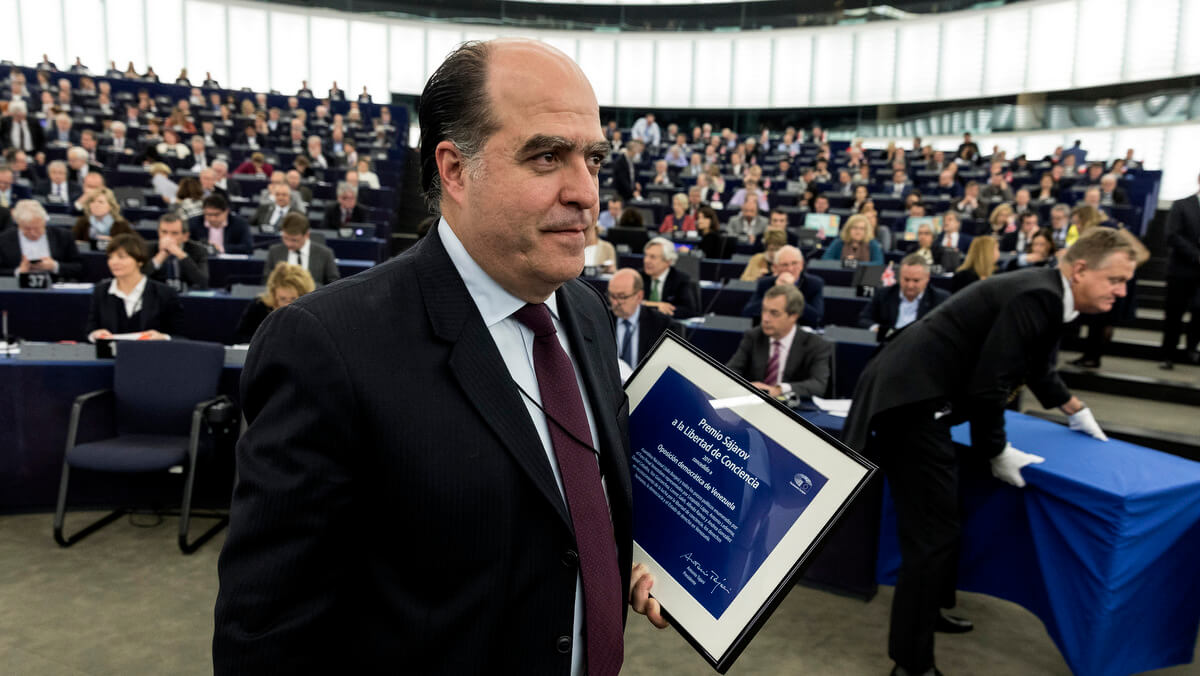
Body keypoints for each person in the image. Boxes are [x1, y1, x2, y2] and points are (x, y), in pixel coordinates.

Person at [214, 40, 666, 674]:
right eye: (546, 156)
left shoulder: (588, 311)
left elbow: (561, 511)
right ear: (454, 169)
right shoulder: (326, 344)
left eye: (592, 159)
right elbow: (267, 634)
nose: (586, 194)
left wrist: (614, 559)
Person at [844, 229, 1135, 676]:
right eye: (1115, 279)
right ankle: (911, 664)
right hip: (909, 404)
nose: (1122, 291)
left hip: (921, 397)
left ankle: (930, 610)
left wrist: (1076, 409)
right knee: (931, 537)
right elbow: (990, 386)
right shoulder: (1038, 295)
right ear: (1080, 270)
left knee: (945, 522)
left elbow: (1037, 366)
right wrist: (995, 450)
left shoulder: (1047, 292)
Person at [727, 284, 832, 399]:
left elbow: (818, 385)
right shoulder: (753, 336)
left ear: (793, 316)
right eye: (764, 311)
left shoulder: (815, 344)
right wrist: (747, 386)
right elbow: (731, 371)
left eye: (774, 313)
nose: (765, 319)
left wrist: (779, 390)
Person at [85, 234, 182, 342]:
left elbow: (179, 336)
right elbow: (90, 330)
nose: (114, 262)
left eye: (121, 257)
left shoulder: (165, 293)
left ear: (139, 261)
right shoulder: (101, 291)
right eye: (110, 257)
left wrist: (163, 338)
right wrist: (95, 335)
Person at [859, 254, 950, 342]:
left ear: (927, 278)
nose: (910, 285)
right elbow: (864, 319)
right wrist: (876, 329)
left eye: (916, 280)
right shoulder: (884, 294)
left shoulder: (940, 300)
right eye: (906, 279)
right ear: (899, 276)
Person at [1160, 171, 1200, 369]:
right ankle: (1168, 354)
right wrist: (1196, 255)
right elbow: (1172, 235)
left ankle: (1192, 349)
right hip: (1181, 271)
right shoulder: (1182, 204)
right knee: (1174, 314)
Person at [609, 267, 680, 368]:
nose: (615, 303)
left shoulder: (663, 325)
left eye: (622, 297)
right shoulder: (602, 320)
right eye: (612, 296)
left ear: (639, 296)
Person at [742, 245, 825, 327]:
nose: (790, 269)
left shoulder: (814, 284)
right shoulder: (765, 283)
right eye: (785, 265)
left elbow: (816, 318)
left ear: (802, 265)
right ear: (775, 267)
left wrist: (792, 291)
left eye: (794, 263)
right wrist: (775, 292)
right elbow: (747, 313)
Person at [234, 263, 317, 344]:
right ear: (274, 295)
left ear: (304, 296)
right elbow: (241, 338)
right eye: (283, 299)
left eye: (293, 299)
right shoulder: (258, 306)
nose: (288, 304)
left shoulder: (313, 312)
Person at [0, 199, 83, 279]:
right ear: (18, 224)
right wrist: (19, 271)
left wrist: (54, 266)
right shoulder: (4, 239)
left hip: (57, 283)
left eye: (37, 228)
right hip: (16, 286)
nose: (33, 233)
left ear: (44, 222)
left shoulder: (63, 236)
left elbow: (79, 267)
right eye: (27, 229)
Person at [261, 213, 339, 287]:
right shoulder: (274, 252)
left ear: (307, 235)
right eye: (285, 238)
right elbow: (266, 282)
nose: (288, 244)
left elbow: (334, 285)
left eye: (294, 240)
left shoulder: (325, 254)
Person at [145, 212, 209, 291]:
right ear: (158, 232)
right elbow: (138, 279)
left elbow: (203, 281)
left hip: (186, 294)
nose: (168, 237)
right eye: (164, 232)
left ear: (185, 236)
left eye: (174, 233)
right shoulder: (148, 248)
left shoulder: (198, 250)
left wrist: (181, 255)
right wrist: (160, 256)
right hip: (157, 294)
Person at [640, 236, 700, 319]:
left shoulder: (681, 280)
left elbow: (688, 310)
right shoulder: (638, 277)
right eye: (646, 255)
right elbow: (628, 302)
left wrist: (658, 311)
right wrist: (655, 305)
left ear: (668, 261)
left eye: (652, 257)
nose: (646, 261)